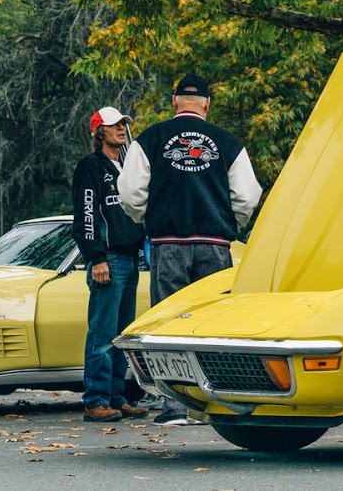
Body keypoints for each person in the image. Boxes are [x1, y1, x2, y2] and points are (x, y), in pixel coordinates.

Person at [119, 74, 262, 427]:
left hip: (168, 244)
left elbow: (131, 193)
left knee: (169, 323)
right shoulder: (227, 142)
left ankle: (174, 408)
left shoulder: (151, 139)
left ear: (174, 102)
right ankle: (212, 405)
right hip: (215, 245)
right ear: (207, 104)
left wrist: (147, 218)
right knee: (214, 324)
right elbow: (247, 196)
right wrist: (227, 222)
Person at [71, 106, 149, 423]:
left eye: (123, 124)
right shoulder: (91, 166)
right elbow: (86, 212)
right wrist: (96, 257)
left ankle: (116, 398)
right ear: (99, 131)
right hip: (108, 259)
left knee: (120, 336)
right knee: (102, 335)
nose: (121, 128)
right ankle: (96, 400)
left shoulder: (127, 167)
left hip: (130, 259)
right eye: (114, 124)